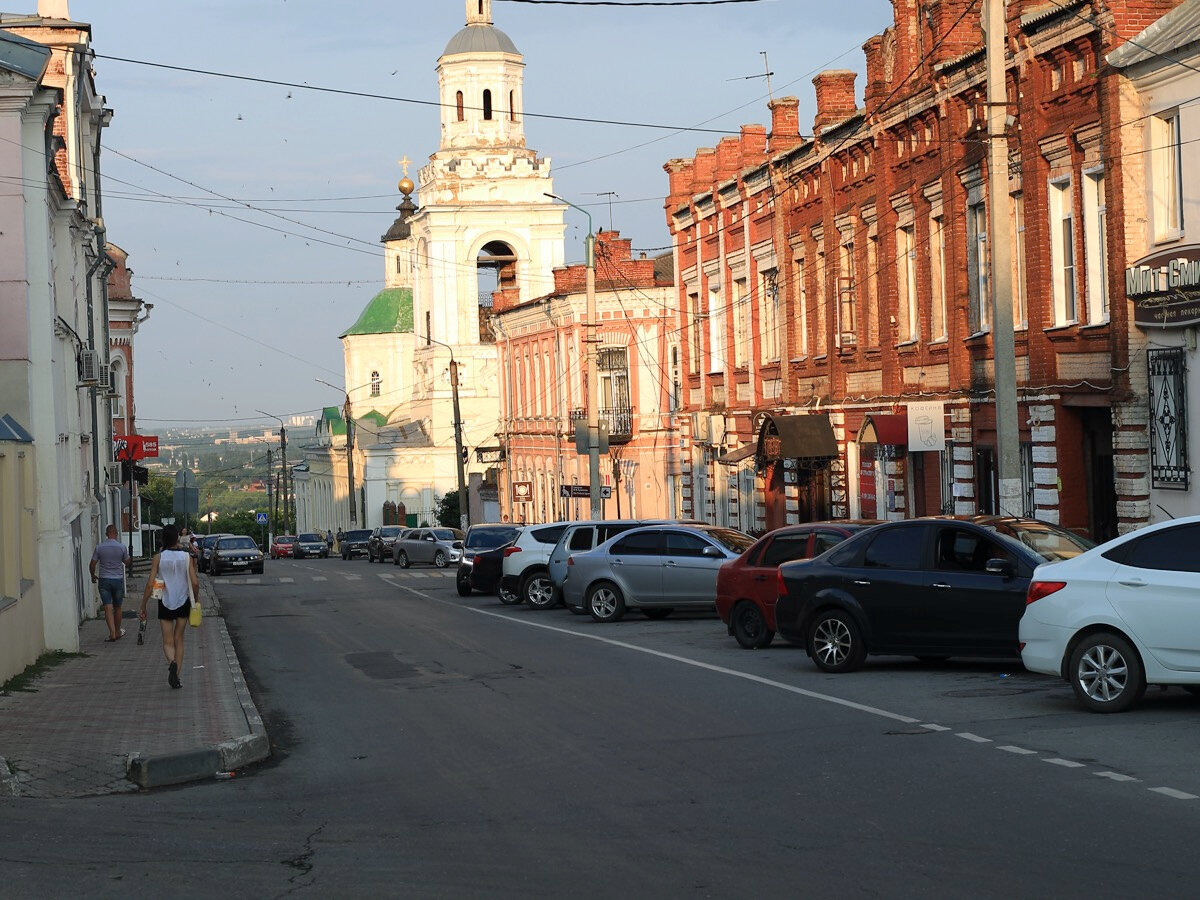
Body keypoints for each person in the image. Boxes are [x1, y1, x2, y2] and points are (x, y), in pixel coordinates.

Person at [138, 525, 200, 690]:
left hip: (165, 600)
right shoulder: (186, 557)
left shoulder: (158, 558)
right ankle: (176, 677)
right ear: (177, 538)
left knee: (167, 641)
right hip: (183, 600)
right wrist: (196, 600)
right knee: (179, 639)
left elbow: (150, 584)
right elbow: (195, 583)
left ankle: (172, 662)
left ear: (163, 539)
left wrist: (143, 605)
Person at [90, 524, 131, 642]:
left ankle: (112, 633)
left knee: (107, 607)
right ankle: (118, 631)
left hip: (104, 580)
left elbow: (92, 564)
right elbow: (127, 562)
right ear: (116, 534)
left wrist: (93, 575)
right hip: (117, 580)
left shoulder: (99, 547)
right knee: (118, 607)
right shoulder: (122, 547)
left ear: (106, 534)